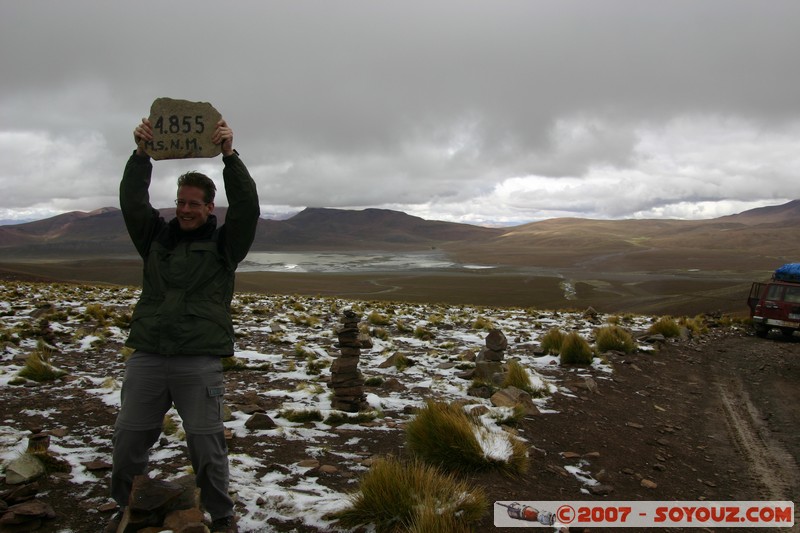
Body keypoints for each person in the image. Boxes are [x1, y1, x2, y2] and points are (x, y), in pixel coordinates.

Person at [106, 117, 260, 533]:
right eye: (181, 202)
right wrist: (141, 155)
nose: (186, 209)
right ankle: (125, 505)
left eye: (195, 203)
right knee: (129, 440)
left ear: (210, 207)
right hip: (149, 356)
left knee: (207, 445)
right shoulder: (155, 238)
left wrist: (230, 156)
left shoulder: (226, 246)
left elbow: (248, 209)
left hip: (198, 361)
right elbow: (132, 203)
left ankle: (221, 514)